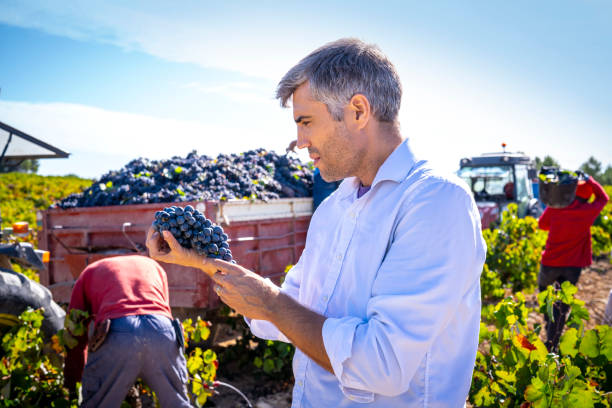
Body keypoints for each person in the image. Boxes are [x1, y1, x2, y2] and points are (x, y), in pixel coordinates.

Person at [147, 38, 486, 407]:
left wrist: (272, 304)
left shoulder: (435, 202)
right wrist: (203, 262)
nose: (299, 141)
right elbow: (289, 309)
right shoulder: (336, 207)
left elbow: (382, 365)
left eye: (306, 122)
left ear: (358, 111)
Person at [63, 255, 191, 408]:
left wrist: (72, 384)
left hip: (119, 332)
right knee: (178, 404)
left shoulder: (88, 273)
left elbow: (75, 335)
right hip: (162, 329)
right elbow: (163, 311)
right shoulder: (153, 265)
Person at [538, 174, 609, 350]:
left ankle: (549, 332)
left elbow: (542, 224)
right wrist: (591, 181)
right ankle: (553, 342)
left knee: (547, 300)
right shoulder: (588, 211)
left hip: (550, 264)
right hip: (573, 267)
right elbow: (604, 198)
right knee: (563, 305)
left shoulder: (557, 206)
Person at [287, 139, 341, 210]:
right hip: (337, 173)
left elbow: (301, 141)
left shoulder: (320, 136)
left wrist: (290, 148)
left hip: (324, 175)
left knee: (323, 208)